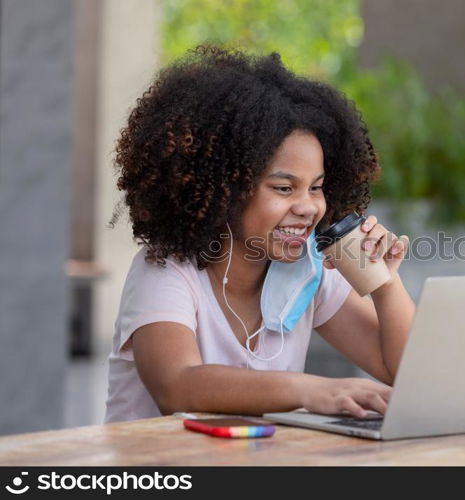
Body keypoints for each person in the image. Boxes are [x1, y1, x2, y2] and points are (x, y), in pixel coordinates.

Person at [104, 45, 415, 423]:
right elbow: (177, 386)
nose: (308, 207)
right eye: (284, 188)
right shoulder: (167, 272)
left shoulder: (308, 273)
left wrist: (384, 285)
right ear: (223, 189)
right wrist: (312, 390)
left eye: (315, 187)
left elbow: (411, 377)